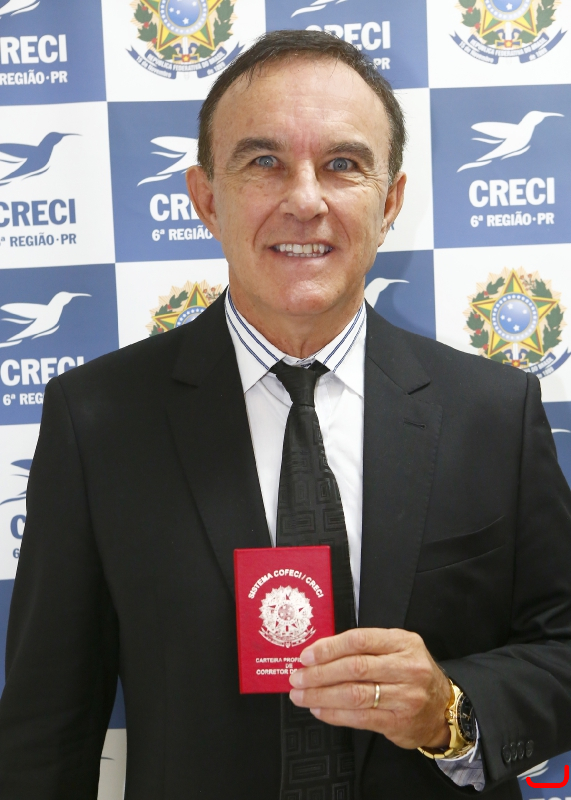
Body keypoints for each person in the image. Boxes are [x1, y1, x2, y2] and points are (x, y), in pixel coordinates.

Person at [1, 29, 571, 800]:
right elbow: (46, 727)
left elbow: (561, 647)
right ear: (206, 198)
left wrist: (450, 709)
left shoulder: (492, 412)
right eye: (264, 162)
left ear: (389, 201)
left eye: (342, 164)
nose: (304, 201)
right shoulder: (97, 419)